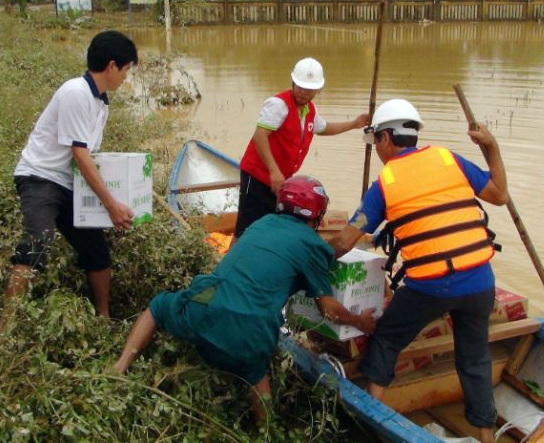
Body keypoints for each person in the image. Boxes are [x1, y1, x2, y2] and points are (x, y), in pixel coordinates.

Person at [113, 175, 376, 421]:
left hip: (205, 302)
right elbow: (328, 309)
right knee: (255, 373)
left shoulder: (261, 223)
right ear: (316, 215)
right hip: (247, 329)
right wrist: (359, 321)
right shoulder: (314, 246)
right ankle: (265, 430)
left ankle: (120, 367)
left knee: (158, 306)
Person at [328, 99, 508, 443]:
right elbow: (499, 194)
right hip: (480, 282)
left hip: (431, 287)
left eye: (377, 142)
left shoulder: (385, 183)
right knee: (475, 359)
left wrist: (312, 260)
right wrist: (491, 147)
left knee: (387, 338)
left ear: (384, 138)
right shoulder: (448, 158)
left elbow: (347, 239)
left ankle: (373, 422)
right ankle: (487, 436)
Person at [6, 30, 138, 319]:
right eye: (126, 69)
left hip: (70, 183)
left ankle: (103, 318)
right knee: (39, 240)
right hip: (41, 177)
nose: (126, 77)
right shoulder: (76, 92)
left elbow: (89, 157)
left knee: (97, 252)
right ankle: (8, 326)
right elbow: (80, 155)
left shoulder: (101, 103)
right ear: (112, 65)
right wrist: (111, 205)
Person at [234, 57, 369, 239]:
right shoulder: (278, 105)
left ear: (318, 90)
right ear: (293, 83)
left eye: (309, 89)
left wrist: (354, 124)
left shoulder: (309, 110)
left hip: (280, 182)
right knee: (246, 229)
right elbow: (260, 136)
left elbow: (324, 128)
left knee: (270, 227)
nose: (303, 92)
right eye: (300, 87)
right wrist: (274, 171)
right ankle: (229, 264)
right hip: (258, 176)